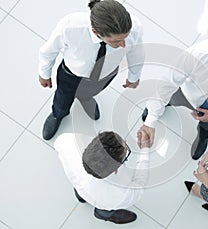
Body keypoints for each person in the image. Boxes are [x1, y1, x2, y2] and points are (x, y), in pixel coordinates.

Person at [39, 0, 144, 140]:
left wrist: (133, 78)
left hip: (105, 75)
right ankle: (59, 114)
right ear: (96, 32)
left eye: (125, 38)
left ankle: (86, 98)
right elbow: (48, 51)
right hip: (72, 75)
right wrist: (44, 74)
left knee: (93, 91)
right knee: (63, 97)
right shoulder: (70, 26)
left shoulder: (134, 27)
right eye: (116, 41)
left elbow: (136, 54)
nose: (123, 44)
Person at [54, 130, 150, 224]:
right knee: (105, 208)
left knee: (81, 192)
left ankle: (81, 197)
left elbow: (58, 143)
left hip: (78, 184)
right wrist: (145, 148)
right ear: (115, 170)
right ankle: (103, 214)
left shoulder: (66, 141)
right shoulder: (121, 195)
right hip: (101, 201)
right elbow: (140, 182)